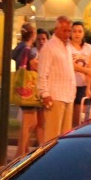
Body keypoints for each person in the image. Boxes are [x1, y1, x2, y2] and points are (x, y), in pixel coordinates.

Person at [37, 16, 76, 142]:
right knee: (52, 137)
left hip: (68, 96)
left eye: (69, 31)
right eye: (64, 30)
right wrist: (45, 94)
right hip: (55, 97)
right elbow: (42, 73)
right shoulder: (49, 47)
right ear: (56, 30)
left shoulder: (68, 47)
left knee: (65, 137)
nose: (67, 34)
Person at [14, 23, 42, 157]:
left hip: (23, 87)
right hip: (29, 88)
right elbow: (36, 66)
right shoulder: (28, 50)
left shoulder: (19, 48)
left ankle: (22, 150)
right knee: (28, 122)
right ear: (33, 34)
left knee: (31, 122)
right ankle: (20, 154)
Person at [69, 20, 91, 126]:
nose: (77, 34)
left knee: (80, 118)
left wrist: (89, 88)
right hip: (69, 84)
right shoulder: (67, 46)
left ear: (83, 33)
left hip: (82, 86)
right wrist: (85, 70)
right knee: (68, 116)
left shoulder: (89, 48)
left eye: (79, 31)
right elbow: (69, 64)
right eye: (74, 31)